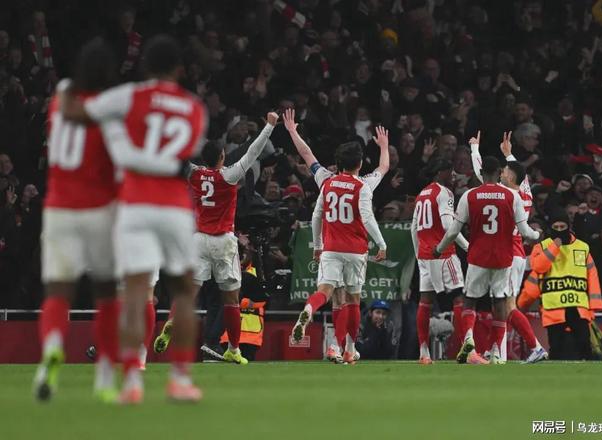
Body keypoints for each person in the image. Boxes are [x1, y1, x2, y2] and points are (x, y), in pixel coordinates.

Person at [60, 35, 208, 403]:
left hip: (136, 205)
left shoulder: (129, 96)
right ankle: (180, 379)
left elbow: (75, 112)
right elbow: (182, 157)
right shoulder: (194, 109)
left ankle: (131, 381)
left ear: (145, 66)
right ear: (180, 70)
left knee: (135, 292)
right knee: (183, 294)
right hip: (174, 207)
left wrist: (76, 85)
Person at [152, 112, 278, 365]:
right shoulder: (229, 175)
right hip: (223, 241)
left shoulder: (194, 173)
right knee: (231, 298)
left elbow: (175, 157)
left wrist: (161, 129)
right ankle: (233, 349)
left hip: (198, 240)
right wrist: (269, 127)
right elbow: (252, 152)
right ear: (222, 156)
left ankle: (174, 319)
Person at [33, 39, 120, 403]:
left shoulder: (60, 102)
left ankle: (53, 347)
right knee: (107, 296)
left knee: (57, 292)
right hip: (96, 211)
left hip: (58, 209)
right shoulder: (105, 113)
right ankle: (105, 376)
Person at [283, 108, 389, 363]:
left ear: (338, 163)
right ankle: (348, 348)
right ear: (360, 164)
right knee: (353, 300)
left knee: (327, 293)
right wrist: (384, 146)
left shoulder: (326, 180)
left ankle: (311, 311)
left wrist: (292, 131)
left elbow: (307, 154)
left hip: (331, 249)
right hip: (355, 251)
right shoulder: (364, 185)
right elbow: (384, 168)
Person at [433, 155, 540, 364]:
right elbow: (526, 231)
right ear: (499, 173)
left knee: (470, 300)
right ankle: (497, 352)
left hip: (478, 256)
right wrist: (538, 235)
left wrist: (439, 248)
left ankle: (469, 338)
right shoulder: (512, 196)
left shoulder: (470, 195)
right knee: (500, 302)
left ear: (481, 174)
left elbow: (453, 231)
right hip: (503, 258)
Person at [470, 131, 547, 363]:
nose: (501, 173)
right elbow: (522, 177)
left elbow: (481, 174)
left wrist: (475, 149)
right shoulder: (524, 193)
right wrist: (509, 154)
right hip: (514, 253)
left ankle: (535, 347)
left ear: (510, 177)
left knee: (508, 305)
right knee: (500, 304)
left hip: (510, 253)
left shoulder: (507, 195)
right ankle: (495, 350)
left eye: (504, 172)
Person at [517, 212, 602, 360]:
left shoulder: (582, 247)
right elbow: (538, 268)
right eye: (556, 227)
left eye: (562, 226)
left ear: (568, 227)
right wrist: (554, 246)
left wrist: (594, 307)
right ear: (550, 228)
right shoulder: (542, 247)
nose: (559, 230)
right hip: (554, 308)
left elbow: (592, 277)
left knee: (585, 347)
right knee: (556, 349)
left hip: (578, 307)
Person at [410, 160, 468, 365]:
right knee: (459, 299)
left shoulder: (422, 194)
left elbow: (413, 228)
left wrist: (418, 254)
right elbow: (447, 225)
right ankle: (467, 349)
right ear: (440, 172)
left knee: (425, 302)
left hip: (425, 256)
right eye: (450, 172)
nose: (453, 176)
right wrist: (467, 247)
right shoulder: (444, 193)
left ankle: (424, 352)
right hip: (443, 254)